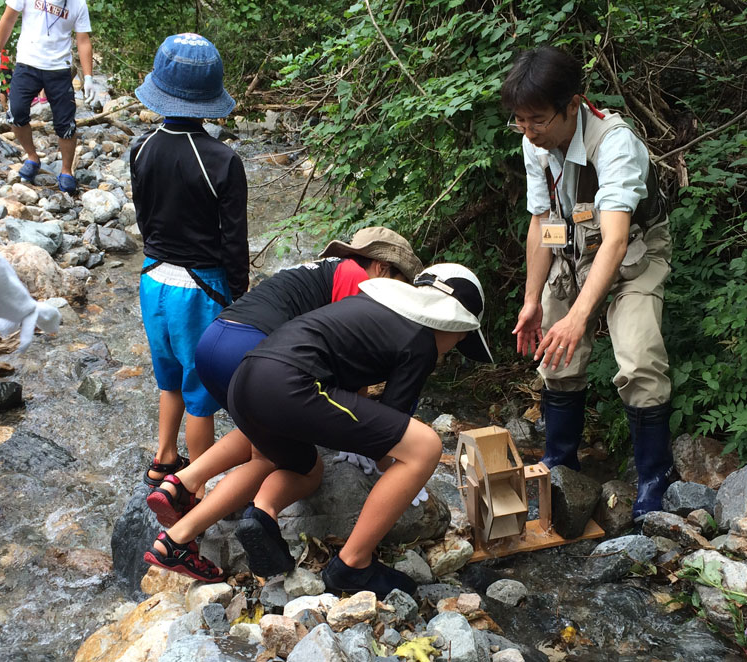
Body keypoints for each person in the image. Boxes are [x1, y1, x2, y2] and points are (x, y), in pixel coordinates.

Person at [143, 263, 493, 597]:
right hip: (290, 385)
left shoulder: (373, 303)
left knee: (307, 470)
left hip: (247, 380)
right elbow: (391, 444)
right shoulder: (421, 341)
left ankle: (221, 526)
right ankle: (353, 564)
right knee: (426, 447)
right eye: (461, 338)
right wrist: (410, 481)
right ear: (453, 325)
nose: (454, 349)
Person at [147, 227, 425, 571]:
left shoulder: (326, 269)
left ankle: (180, 484)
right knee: (284, 463)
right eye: (400, 281)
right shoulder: (360, 279)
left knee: (261, 433)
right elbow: (351, 360)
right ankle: (178, 540)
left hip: (216, 339)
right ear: (382, 267)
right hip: (251, 350)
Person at [502, 46, 673, 521]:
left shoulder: (614, 144)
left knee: (639, 360)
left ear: (572, 104)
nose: (528, 131)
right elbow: (541, 223)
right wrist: (532, 299)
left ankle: (655, 478)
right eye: (520, 121)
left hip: (633, 255)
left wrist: (581, 317)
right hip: (571, 251)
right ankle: (560, 461)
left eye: (537, 120)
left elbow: (616, 240)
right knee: (555, 358)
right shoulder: (533, 141)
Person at [131, 34, 247, 492]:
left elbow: (144, 218)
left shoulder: (140, 147)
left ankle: (164, 458)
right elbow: (233, 243)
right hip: (201, 290)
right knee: (202, 394)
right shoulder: (222, 161)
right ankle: (196, 488)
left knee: (169, 375)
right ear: (209, 101)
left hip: (153, 280)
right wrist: (238, 298)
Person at [0, 0, 95, 193]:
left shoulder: (78, 4)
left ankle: (67, 171)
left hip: (59, 68)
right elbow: (8, 19)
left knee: (66, 124)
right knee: (15, 114)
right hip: (27, 63)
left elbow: (83, 40)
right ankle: (32, 156)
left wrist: (89, 77)